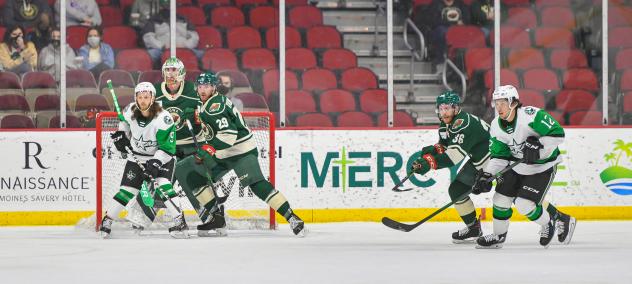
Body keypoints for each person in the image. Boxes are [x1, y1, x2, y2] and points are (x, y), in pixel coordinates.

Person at [174, 72, 307, 237]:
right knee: (193, 177)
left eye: (206, 86)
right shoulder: (205, 103)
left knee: (257, 185)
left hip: (241, 150)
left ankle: (292, 217)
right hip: (223, 152)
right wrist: (192, 121)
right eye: (200, 86)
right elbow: (208, 131)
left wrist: (205, 150)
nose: (202, 90)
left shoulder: (216, 106)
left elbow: (228, 136)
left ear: (214, 87)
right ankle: (217, 219)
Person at [474, 85, 577, 249]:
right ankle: (499, 236)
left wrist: (539, 145)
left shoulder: (531, 115)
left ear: (513, 103)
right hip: (516, 167)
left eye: (503, 102)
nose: (499, 107)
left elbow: (558, 134)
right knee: (500, 199)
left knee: (524, 204)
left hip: (542, 167)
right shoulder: (495, 125)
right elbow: (500, 157)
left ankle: (547, 223)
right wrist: (487, 175)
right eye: (496, 103)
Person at [99, 82, 189, 239]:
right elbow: (124, 124)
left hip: (162, 158)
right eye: (139, 97)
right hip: (137, 158)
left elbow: (168, 148)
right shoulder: (130, 110)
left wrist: (155, 164)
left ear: (153, 98)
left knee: (163, 187)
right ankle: (107, 220)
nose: (143, 100)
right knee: (127, 191)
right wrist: (121, 137)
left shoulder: (163, 118)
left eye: (146, 97)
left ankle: (180, 221)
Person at [409, 90, 490, 243]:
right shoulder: (446, 123)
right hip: (479, 160)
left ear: (455, 108)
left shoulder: (463, 123)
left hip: (496, 159)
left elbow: (454, 157)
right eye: (441, 108)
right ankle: (473, 228)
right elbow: (445, 146)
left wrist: (429, 163)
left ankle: (549, 215)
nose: (443, 112)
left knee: (514, 195)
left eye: (447, 108)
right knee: (456, 190)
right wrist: (431, 152)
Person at [425, 0, 470, 71]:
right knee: (442, 31)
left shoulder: (460, 4)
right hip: (441, 30)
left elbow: (468, 19)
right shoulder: (436, 4)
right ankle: (440, 61)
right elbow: (432, 21)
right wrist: (452, 22)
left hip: (458, 30)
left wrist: (463, 22)